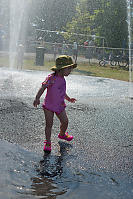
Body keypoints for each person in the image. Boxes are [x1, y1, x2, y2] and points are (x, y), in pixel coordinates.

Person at [33, 55, 77, 152]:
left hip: (60, 105)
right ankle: (48, 142)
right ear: (60, 69)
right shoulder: (51, 78)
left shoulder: (63, 79)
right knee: (49, 124)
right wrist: (37, 98)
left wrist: (68, 98)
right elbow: (43, 87)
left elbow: (61, 91)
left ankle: (62, 134)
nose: (70, 70)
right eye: (69, 68)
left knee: (65, 121)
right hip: (49, 106)